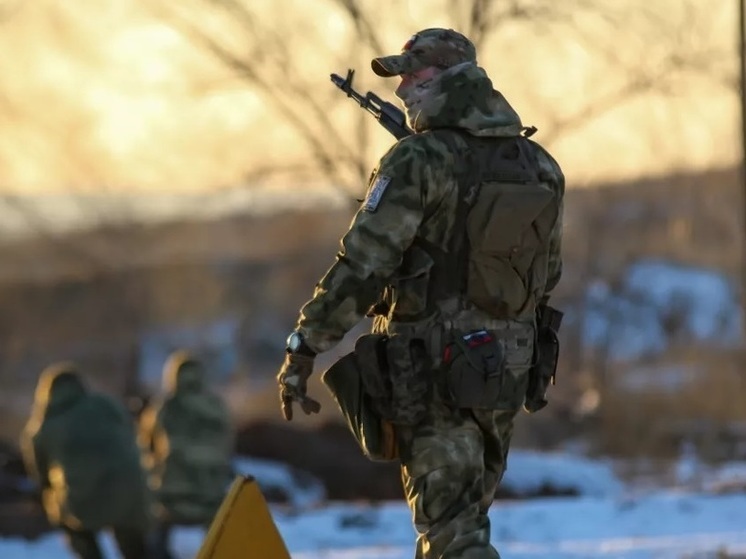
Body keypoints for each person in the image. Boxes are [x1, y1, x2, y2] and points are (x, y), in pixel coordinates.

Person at [277, 27, 564, 558]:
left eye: (414, 74)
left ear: (452, 77)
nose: (403, 87)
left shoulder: (417, 162)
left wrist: (305, 345)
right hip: (507, 370)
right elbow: (546, 276)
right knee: (461, 522)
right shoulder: (541, 165)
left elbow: (363, 264)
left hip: (435, 370)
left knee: (453, 536)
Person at [20, 362, 152, 559]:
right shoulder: (106, 404)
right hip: (130, 492)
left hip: (80, 500)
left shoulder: (42, 426)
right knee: (130, 535)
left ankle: (90, 554)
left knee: (62, 513)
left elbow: (40, 474)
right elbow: (131, 433)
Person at [139, 350, 234, 559]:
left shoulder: (165, 406)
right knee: (220, 538)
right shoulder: (216, 406)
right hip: (212, 496)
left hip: (171, 499)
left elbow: (146, 447)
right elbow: (228, 445)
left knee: (154, 533)